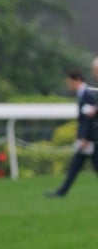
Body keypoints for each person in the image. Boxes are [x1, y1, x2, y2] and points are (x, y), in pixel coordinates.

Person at [45, 69, 98, 197]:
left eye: (70, 82)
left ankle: (61, 192)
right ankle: (62, 191)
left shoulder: (88, 94)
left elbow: (89, 119)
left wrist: (84, 137)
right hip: (88, 139)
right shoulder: (84, 94)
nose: (68, 85)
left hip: (91, 140)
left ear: (77, 80)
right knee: (75, 165)